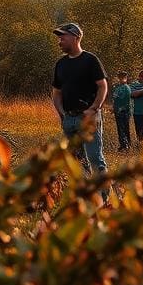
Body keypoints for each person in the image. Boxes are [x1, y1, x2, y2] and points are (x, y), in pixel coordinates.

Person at [50, 22, 109, 199]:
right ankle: (85, 198)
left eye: (63, 37)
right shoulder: (60, 64)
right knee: (76, 161)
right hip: (69, 119)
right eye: (59, 37)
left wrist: (94, 109)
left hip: (88, 118)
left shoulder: (90, 60)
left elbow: (102, 86)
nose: (60, 40)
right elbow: (57, 92)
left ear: (75, 38)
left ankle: (105, 198)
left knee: (94, 158)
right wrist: (61, 113)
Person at [111, 71, 132, 151]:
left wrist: (120, 108)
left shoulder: (126, 88)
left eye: (123, 77)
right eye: (120, 77)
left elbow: (126, 100)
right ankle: (124, 145)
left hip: (124, 111)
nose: (121, 79)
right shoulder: (117, 87)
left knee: (123, 128)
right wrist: (114, 108)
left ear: (126, 78)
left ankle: (125, 145)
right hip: (118, 110)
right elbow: (115, 99)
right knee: (121, 128)